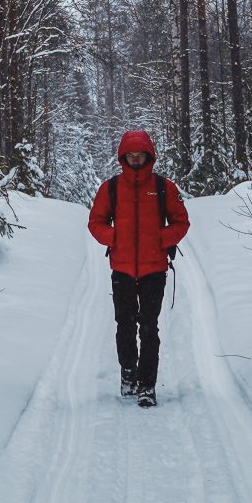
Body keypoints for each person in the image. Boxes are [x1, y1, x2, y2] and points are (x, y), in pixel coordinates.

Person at [88, 129, 189, 406]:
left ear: (148, 156)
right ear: (123, 157)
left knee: (149, 326)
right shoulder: (110, 188)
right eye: (130, 154)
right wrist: (114, 237)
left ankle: (147, 385)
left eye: (139, 154)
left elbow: (181, 222)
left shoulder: (163, 187)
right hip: (121, 268)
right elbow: (95, 222)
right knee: (125, 324)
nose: (135, 158)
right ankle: (128, 373)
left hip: (154, 269)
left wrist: (161, 238)